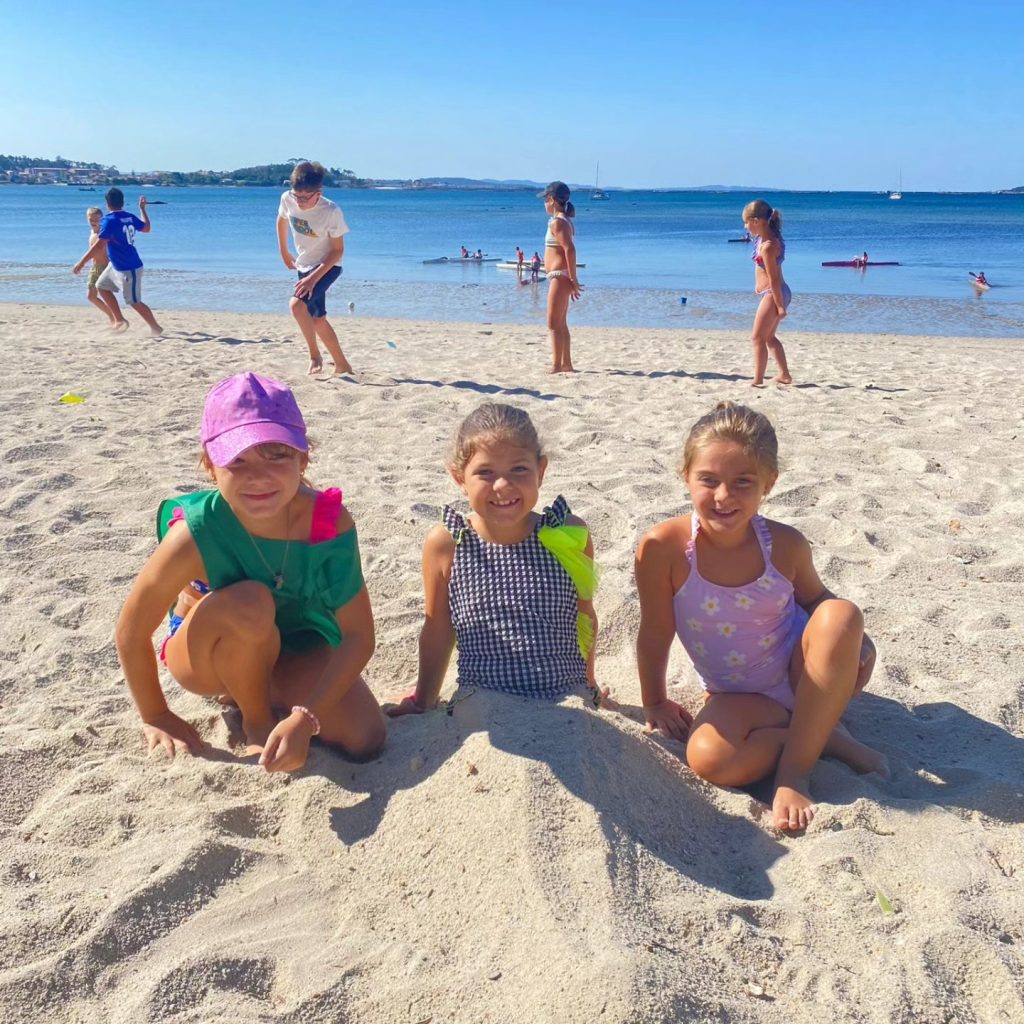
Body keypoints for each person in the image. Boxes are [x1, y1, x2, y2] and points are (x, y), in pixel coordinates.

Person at [115, 371, 385, 773]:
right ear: (210, 466)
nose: (258, 476)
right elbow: (131, 630)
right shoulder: (196, 532)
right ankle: (255, 718)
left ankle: (264, 686)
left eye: (277, 455)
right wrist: (155, 714)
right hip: (206, 650)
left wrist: (306, 717)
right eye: (237, 460)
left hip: (292, 640)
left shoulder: (326, 521)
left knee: (365, 736)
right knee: (251, 602)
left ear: (303, 458)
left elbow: (359, 635)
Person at [634, 402, 887, 832]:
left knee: (842, 614)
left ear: (769, 483)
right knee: (709, 758)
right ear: (686, 475)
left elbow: (819, 600)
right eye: (708, 480)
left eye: (743, 482)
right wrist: (655, 701)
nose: (723, 496)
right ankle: (823, 738)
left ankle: (794, 772)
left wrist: (861, 643)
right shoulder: (663, 549)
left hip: (806, 677)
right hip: (738, 698)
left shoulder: (784, 545)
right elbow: (656, 631)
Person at [387, 402, 606, 717]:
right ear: (459, 478)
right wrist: (423, 701)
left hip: (567, 697)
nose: (503, 485)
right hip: (481, 699)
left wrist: (589, 685)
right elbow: (438, 629)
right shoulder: (448, 543)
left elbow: (583, 616)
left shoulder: (567, 533)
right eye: (485, 473)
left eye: (519, 469)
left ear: (541, 470)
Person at [277, 161, 352, 376]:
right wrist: (284, 252)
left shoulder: (331, 211)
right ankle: (343, 365)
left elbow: (337, 250)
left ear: (318, 193)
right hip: (304, 264)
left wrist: (313, 278)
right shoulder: (287, 198)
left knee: (296, 306)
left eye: (305, 198)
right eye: (297, 196)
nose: (299, 202)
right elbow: (281, 220)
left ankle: (314, 356)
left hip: (328, 266)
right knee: (318, 320)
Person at [72, 188, 163, 336]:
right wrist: (142, 209)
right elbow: (147, 228)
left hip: (129, 267)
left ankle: (155, 327)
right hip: (115, 265)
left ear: (107, 204)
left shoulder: (109, 221)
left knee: (134, 302)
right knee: (101, 286)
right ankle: (119, 320)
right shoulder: (129, 216)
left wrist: (81, 262)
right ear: (122, 202)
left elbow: (99, 245)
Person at [742, 199, 792, 387]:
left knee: (757, 338)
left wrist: (780, 306)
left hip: (774, 293)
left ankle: (757, 379)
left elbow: (774, 279)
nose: (745, 226)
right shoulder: (762, 238)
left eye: (746, 222)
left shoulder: (768, 246)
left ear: (756, 221)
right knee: (769, 337)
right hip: (774, 292)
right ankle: (784, 375)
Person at [540, 181, 582, 373]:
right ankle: (566, 364)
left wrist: (573, 279)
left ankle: (557, 365)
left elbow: (570, 250)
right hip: (560, 275)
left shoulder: (558, 222)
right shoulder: (562, 220)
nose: (544, 204)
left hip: (560, 275)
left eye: (545, 200)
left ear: (552, 200)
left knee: (553, 322)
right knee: (561, 322)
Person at [82, 206, 122, 327]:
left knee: (104, 294)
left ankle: (115, 318)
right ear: (87, 219)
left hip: (105, 267)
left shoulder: (103, 233)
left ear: (102, 219)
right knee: (91, 296)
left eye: (97, 220)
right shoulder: (92, 232)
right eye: (91, 220)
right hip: (95, 268)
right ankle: (112, 317)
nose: (94, 222)